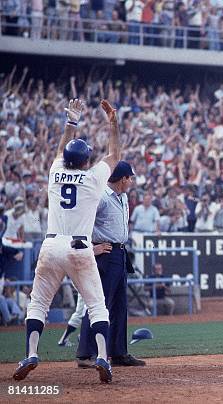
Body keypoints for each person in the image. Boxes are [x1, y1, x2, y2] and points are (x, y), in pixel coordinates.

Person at [12, 98, 120, 384]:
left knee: (38, 304)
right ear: (86, 161)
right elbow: (114, 155)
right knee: (97, 306)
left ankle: (32, 353)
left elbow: (61, 148)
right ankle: (100, 357)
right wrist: (113, 123)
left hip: (51, 245)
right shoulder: (94, 179)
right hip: (80, 248)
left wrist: (71, 122)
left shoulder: (55, 172)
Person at [77, 161, 145, 368]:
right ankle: (85, 354)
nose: (131, 181)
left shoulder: (122, 196)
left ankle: (118, 352)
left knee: (120, 306)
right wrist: (91, 248)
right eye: (130, 178)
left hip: (120, 253)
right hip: (104, 253)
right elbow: (81, 221)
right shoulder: (102, 197)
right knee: (99, 303)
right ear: (123, 178)